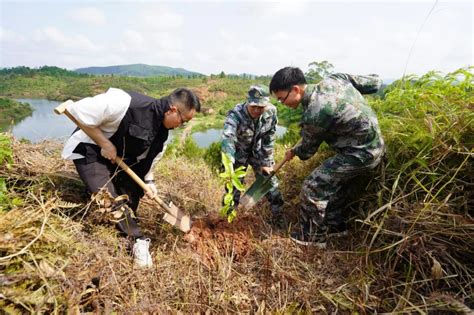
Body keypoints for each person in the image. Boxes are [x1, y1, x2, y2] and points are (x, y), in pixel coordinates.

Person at [62, 87, 201, 267]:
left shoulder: (163, 137)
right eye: (183, 121)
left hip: (117, 159)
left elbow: (148, 162)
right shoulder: (123, 102)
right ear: (173, 110)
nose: (180, 126)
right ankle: (138, 241)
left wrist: (149, 182)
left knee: (134, 191)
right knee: (109, 197)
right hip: (90, 150)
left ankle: (124, 221)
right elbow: (76, 111)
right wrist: (104, 143)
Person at [269, 67, 385, 247]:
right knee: (334, 183)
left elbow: (307, 152)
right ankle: (336, 227)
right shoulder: (336, 78)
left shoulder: (315, 112)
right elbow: (375, 83)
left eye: (282, 98)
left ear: (296, 90)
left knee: (313, 186)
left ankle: (313, 237)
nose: (282, 103)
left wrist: (295, 151)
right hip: (375, 146)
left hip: (361, 154)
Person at [221, 85, 284, 226]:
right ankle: (228, 221)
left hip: (258, 153)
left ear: (267, 104)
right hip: (237, 155)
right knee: (233, 189)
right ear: (247, 102)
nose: (256, 110)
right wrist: (229, 162)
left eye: (260, 107)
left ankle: (278, 220)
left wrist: (267, 163)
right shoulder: (235, 114)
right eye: (253, 106)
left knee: (271, 184)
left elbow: (269, 137)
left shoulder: (271, 113)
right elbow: (228, 137)